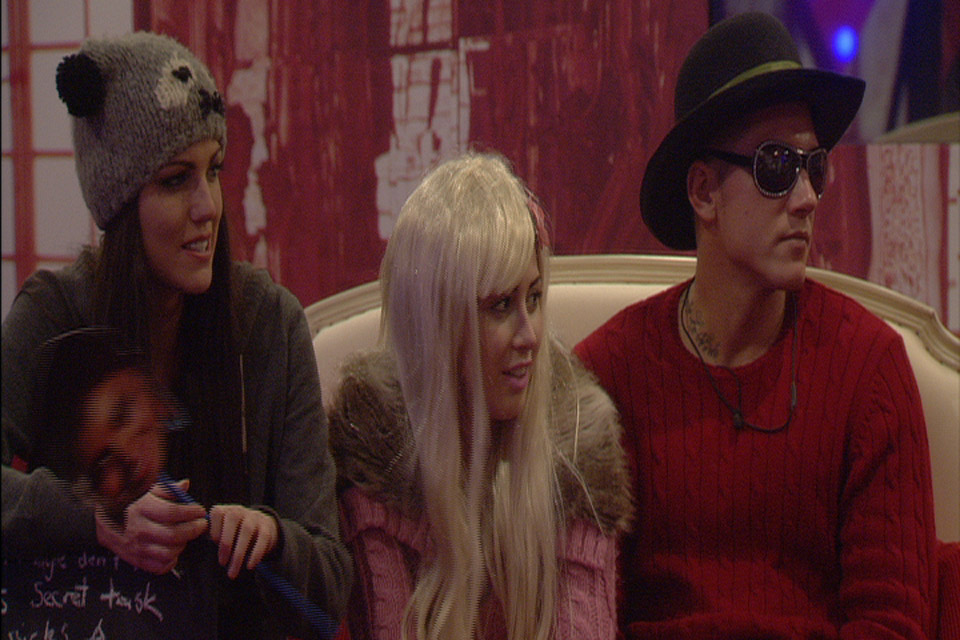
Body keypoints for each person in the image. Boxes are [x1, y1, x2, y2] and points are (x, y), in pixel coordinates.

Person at [574, 12, 938, 640]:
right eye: (776, 166)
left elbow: (891, 622)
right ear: (703, 192)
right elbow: (581, 613)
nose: (807, 198)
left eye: (814, 167)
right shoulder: (607, 377)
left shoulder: (869, 369)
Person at [1, 32, 350, 639]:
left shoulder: (271, 324)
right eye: (174, 180)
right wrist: (96, 518)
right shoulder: (56, 314)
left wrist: (271, 538)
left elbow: (330, 580)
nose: (208, 206)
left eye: (213, 171)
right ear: (119, 204)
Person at [327, 152, 633, 640]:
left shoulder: (577, 456)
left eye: (534, 298)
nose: (530, 335)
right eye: (501, 306)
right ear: (438, 327)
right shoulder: (376, 467)